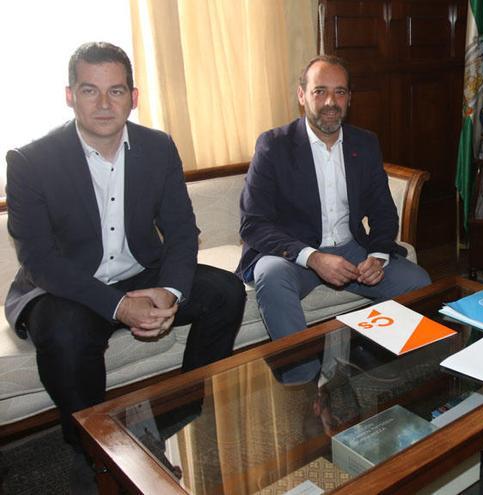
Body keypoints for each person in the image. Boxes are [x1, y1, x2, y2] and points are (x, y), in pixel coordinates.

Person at [4, 42, 245, 490]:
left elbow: (179, 230)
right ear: (69, 95)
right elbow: (39, 260)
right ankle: (91, 447)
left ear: (134, 98)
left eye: (115, 91)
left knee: (225, 292)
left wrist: (169, 291)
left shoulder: (157, 147)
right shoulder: (30, 161)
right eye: (89, 91)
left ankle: (181, 413)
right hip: (66, 287)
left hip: (141, 274)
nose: (102, 104)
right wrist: (120, 307)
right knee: (64, 332)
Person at [237, 55, 431, 383]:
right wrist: (312, 257)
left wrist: (378, 254)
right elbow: (253, 223)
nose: (331, 102)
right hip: (295, 254)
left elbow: (383, 211)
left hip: (351, 248)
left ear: (350, 99)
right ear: (302, 96)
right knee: (269, 275)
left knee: (419, 283)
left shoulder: (364, 143)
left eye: (340, 92)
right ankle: (305, 385)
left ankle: (379, 372)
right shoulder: (274, 145)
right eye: (320, 91)